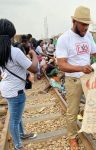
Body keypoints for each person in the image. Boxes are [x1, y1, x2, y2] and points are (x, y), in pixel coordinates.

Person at [56, 6, 96, 150]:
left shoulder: (88, 36)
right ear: (74, 21)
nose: (86, 28)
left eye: (87, 25)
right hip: (73, 81)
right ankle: (72, 137)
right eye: (83, 24)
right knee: (72, 111)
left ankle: (89, 126)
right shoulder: (64, 39)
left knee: (92, 105)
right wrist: (80, 68)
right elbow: (61, 65)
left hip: (89, 79)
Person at [0, 19, 38, 150]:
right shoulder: (14, 52)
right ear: (11, 35)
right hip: (16, 91)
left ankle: (22, 134)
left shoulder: (2, 52)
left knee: (16, 114)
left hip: (7, 89)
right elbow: (34, 68)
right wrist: (34, 55)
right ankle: (18, 146)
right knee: (14, 120)